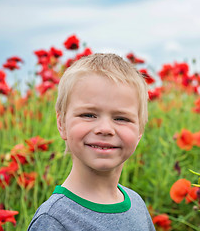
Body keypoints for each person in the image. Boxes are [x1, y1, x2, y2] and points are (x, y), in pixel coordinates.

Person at [27, 53, 156, 230]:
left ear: (140, 130)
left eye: (121, 118)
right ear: (61, 123)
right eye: (88, 115)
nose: (105, 129)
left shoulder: (137, 205)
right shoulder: (53, 220)